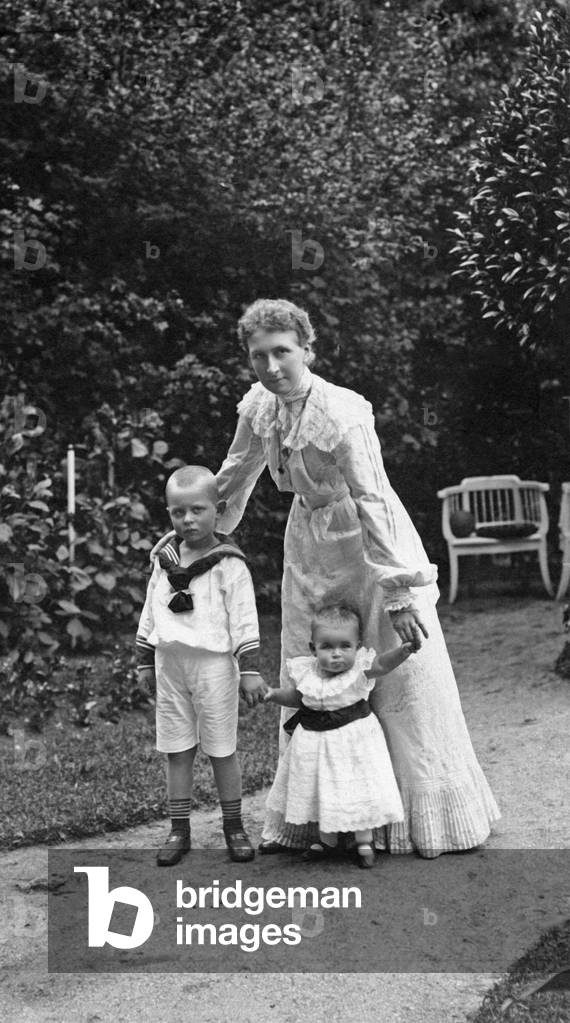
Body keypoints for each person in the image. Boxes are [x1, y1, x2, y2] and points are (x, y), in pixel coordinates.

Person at [152, 298, 500, 858]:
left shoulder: (342, 411)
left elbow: (374, 497)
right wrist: (197, 533)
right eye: (258, 355)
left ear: (307, 349)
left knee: (385, 671)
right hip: (308, 541)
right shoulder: (259, 407)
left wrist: (399, 592)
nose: (271, 367)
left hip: (364, 541)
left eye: (282, 352)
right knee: (314, 662)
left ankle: (403, 817)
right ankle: (318, 818)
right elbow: (234, 475)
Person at [137, 465, 268, 866]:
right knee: (177, 749)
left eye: (197, 510)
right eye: (178, 513)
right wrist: (144, 660)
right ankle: (179, 829)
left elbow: (245, 618)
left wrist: (249, 669)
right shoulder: (165, 560)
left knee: (221, 748)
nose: (188, 520)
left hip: (213, 666)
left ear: (219, 508)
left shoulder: (229, 564)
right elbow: (150, 610)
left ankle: (234, 827)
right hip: (170, 663)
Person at [263, 603, 412, 867]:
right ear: (313, 649)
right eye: (327, 647)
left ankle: (363, 840)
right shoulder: (307, 672)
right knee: (324, 788)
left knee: (356, 788)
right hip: (317, 743)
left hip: (354, 742)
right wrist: (274, 695)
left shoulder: (360, 669)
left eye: (345, 646)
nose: (336, 655)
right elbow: (298, 697)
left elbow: (382, 664)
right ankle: (326, 840)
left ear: (357, 646)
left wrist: (403, 651)